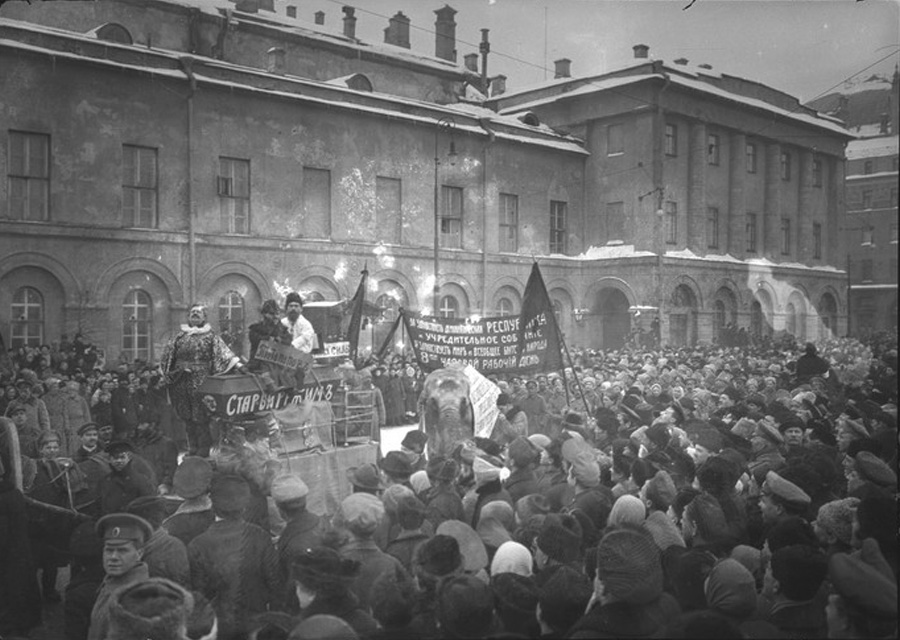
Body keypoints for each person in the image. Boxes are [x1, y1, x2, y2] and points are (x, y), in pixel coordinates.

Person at [188, 474, 281, 640]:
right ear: (245, 506)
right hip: (257, 626)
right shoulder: (260, 536)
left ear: (211, 504)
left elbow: (200, 597)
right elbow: (275, 584)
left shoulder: (197, 545)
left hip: (221, 629)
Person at [160, 303, 245, 456]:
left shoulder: (211, 337)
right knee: (187, 418)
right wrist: (174, 371)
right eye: (192, 312)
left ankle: (203, 450)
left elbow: (225, 354)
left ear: (204, 317)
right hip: (181, 382)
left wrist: (239, 365)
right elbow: (167, 358)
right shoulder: (179, 337)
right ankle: (192, 448)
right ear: (188, 317)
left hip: (201, 382)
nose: (195, 315)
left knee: (201, 417)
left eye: (198, 313)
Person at [87, 513, 153, 640]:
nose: (113, 557)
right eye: (109, 550)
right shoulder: (113, 581)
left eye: (122, 550)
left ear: (139, 554)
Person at [98, 440, 156, 515]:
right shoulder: (104, 482)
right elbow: (98, 509)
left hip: (134, 523)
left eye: (122, 457)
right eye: (115, 458)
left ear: (129, 458)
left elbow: (151, 508)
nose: (119, 461)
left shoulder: (141, 480)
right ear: (110, 460)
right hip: (111, 523)